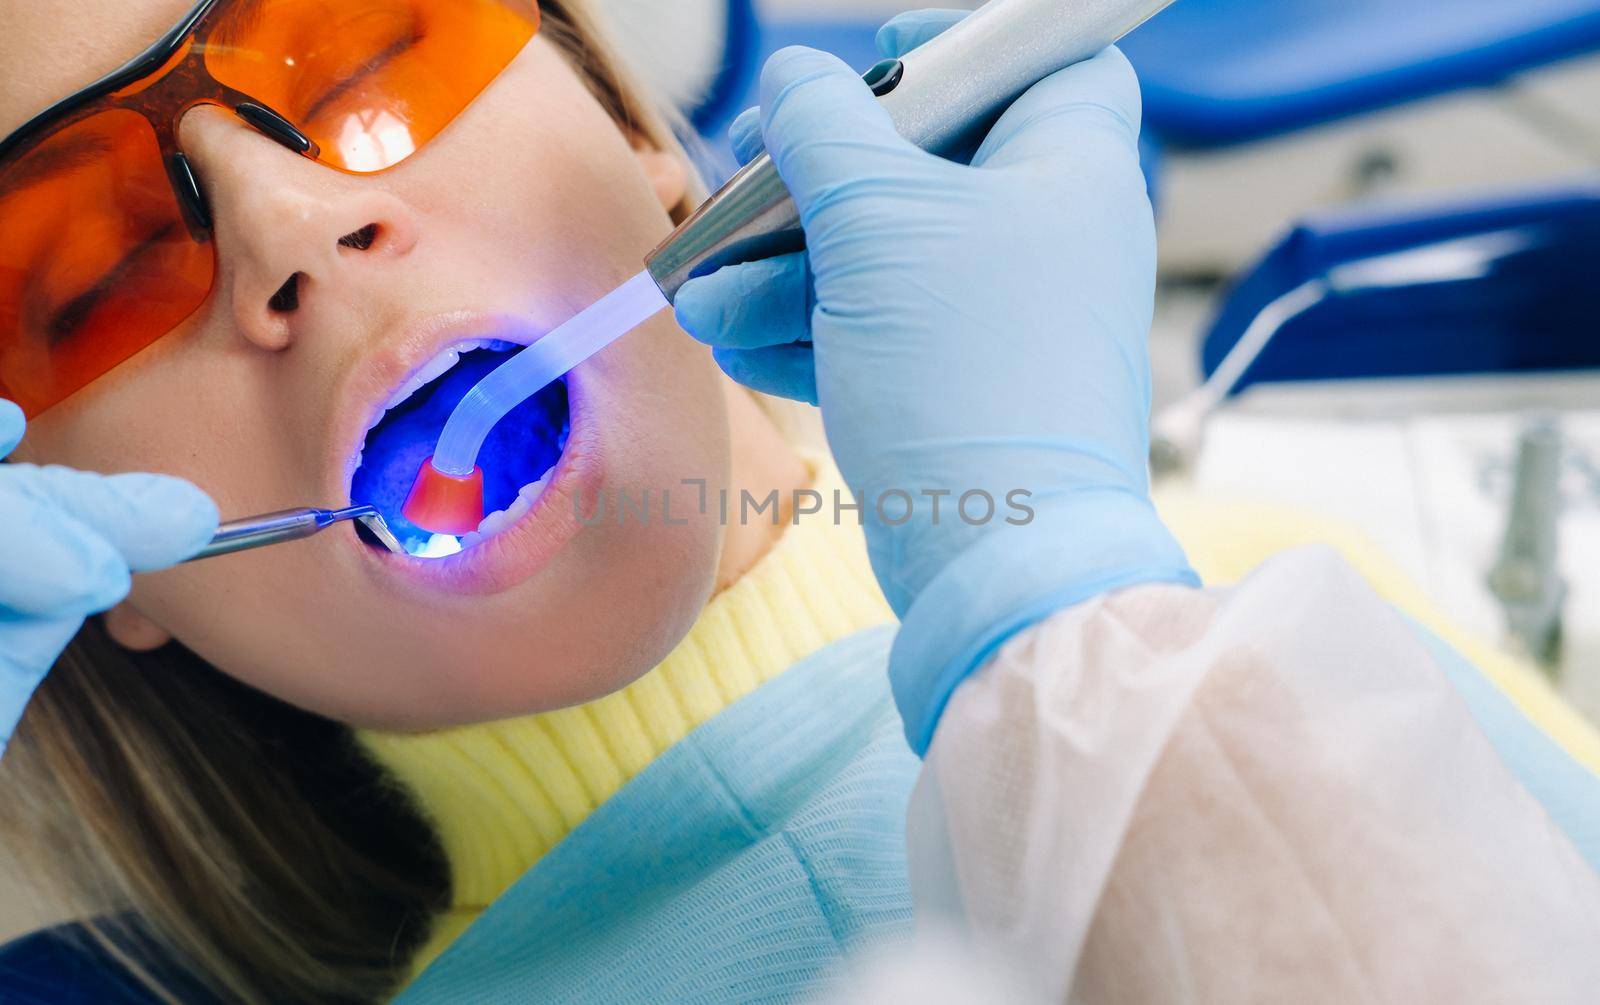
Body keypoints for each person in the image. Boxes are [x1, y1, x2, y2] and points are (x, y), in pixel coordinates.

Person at [2, 3, 1599, 1003]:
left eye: (363, 45)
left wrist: (1065, 603)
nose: (290, 220)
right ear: (83, 546)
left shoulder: (1254, 597)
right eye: (85, 262)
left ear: (641, 139)